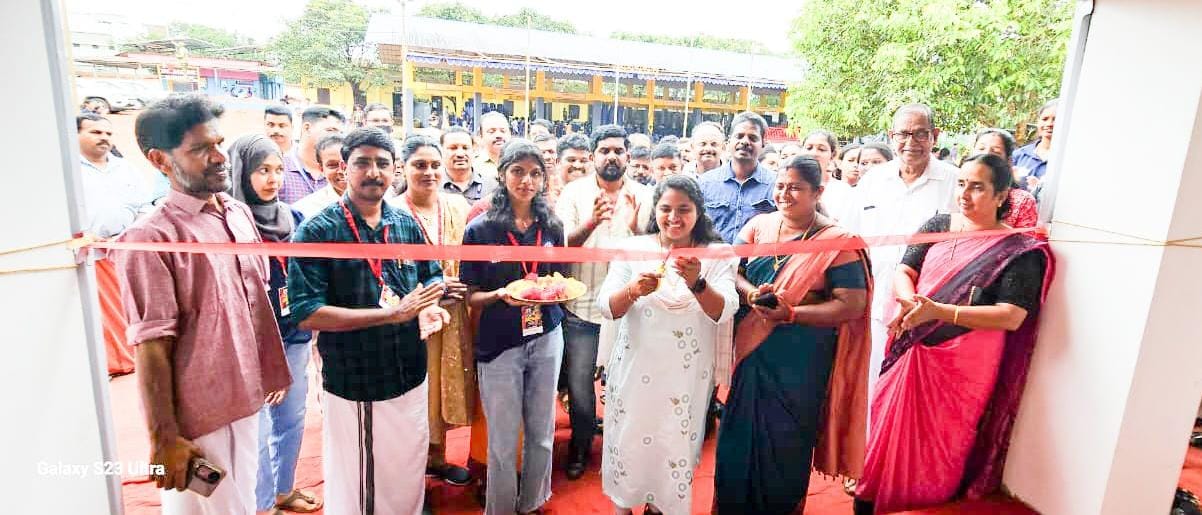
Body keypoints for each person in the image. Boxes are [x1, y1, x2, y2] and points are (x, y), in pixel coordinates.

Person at [114, 94, 291, 514]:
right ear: (159, 160)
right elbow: (151, 345)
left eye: (218, 144)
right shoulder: (150, 238)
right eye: (199, 149)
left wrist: (270, 368)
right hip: (200, 417)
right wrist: (164, 438)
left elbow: (254, 302)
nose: (219, 157)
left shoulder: (237, 213)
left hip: (247, 398)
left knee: (242, 504)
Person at [853, 153, 1055, 514]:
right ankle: (872, 497)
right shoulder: (938, 224)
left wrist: (939, 312)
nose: (964, 194)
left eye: (977, 187)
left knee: (942, 440)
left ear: (1001, 194)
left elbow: (1011, 316)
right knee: (889, 424)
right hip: (912, 343)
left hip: (964, 363)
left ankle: (924, 504)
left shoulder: (1017, 251)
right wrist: (909, 301)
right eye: (961, 184)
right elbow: (905, 270)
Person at [288, 127, 450, 515]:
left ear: (395, 170)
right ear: (344, 168)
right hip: (358, 380)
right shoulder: (318, 230)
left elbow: (433, 274)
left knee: (407, 465)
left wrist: (428, 303)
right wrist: (390, 314)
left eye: (383, 163)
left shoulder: (404, 222)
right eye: (363, 162)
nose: (374, 172)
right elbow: (306, 312)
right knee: (361, 482)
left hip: (410, 371)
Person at [714, 155, 872, 514]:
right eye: (780, 186)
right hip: (753, 352)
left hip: (802, 359)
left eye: (796, 188)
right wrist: (751, 294)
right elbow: (731, 271)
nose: (784, 194)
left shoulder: (838, 241)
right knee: (737, 440)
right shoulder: (758, 226)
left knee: (785, 444)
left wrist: (793, 314)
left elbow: (852, 304)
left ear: (818, 191)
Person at [596, 174, 737, 515]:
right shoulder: (634, 249)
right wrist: (633, 291)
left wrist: (697, 283)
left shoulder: (716, 255)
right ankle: (624, 508)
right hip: (634, 373)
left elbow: (725, 310)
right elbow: (607, 307)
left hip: (684, 380)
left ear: (698, 212)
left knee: (672, 445)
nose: (674, 217)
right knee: (629, 442)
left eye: (684, 209)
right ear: (654, 211)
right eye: (665, 209)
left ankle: (660, 508)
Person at [460, 140, 568, 515]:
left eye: (535, 173)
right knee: (503, 440)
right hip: (500, 343)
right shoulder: (480, 230)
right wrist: (500, 294)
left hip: (547, 334)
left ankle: (533, 502)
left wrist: (549, 292)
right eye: (518, 171)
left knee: (542, 432)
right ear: (502, 174)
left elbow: (560, 280)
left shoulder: (552, 225)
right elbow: (470, 296)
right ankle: (501, 508)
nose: (526, 181)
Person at [225, 134, 322, 514]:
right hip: (250, 341)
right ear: (241, 172)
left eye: (279, 169)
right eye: (262, 170)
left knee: (292, 418)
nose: (273, 179)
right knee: (259, 427)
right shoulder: (231, 223)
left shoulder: (292, 218)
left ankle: (283, 490)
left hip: (294, 332)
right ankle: (262, 504)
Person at [554, 124, 653, 481]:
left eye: (618, 151)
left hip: (630, 310)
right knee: (580, 385)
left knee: (627, 382)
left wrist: (637, 229)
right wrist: (591, 222)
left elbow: (656, 249)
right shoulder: (573, 193)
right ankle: (581, 445)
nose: (611, 156)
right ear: (593, 156)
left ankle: (624, 448)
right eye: (604, 151)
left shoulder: (645, 195)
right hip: (582, 307)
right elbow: (562, 246)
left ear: (628, 155)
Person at [842, 103, 958, 400]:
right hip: (874, 301)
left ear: (935, 136)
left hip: (927, 306)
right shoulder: (873, 180)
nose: (911, 142)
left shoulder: (954, 182)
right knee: (871, 387)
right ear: (891, 136)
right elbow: (850, 237)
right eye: (903, 134)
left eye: (920, 134)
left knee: (914, 391)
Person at [385, 135, 476, 487]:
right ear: (403, 168)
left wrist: (459, 284)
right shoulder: (391, 211)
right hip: (412, 319)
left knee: (443, 391)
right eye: (420, 165)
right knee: (414, 396)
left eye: (435, 165)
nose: (429, 172)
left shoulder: (457, 206)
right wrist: (433, 289)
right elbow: (387, 273)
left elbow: (471, 257)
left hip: (454, 316)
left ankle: (436, 460)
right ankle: (411, 480)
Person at [697, 111, 777, 244]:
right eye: (739, 136)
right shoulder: (705, 183)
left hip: (758, 257)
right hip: (713, 256)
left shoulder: (776, 185)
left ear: (763, 143)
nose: (745, 142)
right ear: (729, 141)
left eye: (752, 138)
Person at [972, 129, 1040, 228]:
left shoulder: (1023, 201)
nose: (986, 154)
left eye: (996, 151)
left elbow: (1024, 237)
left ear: (1008, 160)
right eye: (981, 148)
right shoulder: (959, 190)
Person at [280, 106, 345, 204]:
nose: (336, 137)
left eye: (340, 133)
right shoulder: (280, 168)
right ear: (307, 128)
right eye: (330, 130)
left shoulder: (344, 172)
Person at [801, 129, 853, 220]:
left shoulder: (843, 191)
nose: (814, 153)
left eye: (821, 149)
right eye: (809, 148)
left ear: (833, 155)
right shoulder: (787, 185)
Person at [291, 134, 347, 219]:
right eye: (332, 165)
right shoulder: (305, 210)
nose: (341, 171)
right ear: (321, 169)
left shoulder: (368, 203)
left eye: (346, 163)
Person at [1012, 99, 1058, 196]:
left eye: (1055, 119)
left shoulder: (1066, 161)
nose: (1049, 124)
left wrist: (1039, 189)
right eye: (1045, 119)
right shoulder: (1019, 155)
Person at [441, 126, 498, 203]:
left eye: (465, 148)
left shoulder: (492, 186)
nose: (460, 154)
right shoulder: (433, 186)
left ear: (474, 150)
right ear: (441, 151)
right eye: (453, 148)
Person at [474, 111, 512, 180]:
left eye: (503, 131)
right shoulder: (473, 164)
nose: (498, 135)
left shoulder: (519, 161)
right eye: (492, 132)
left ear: (510, 134)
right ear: (480, 136)